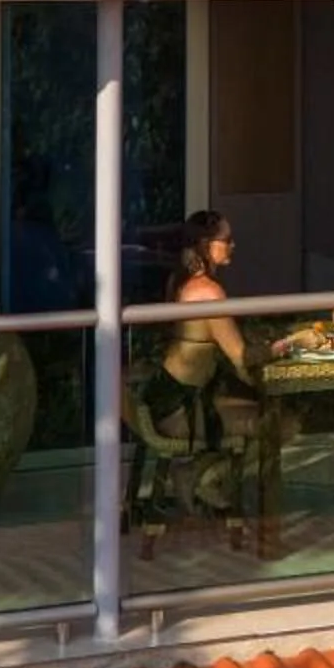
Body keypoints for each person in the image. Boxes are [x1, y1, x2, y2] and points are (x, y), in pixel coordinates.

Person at [138, 211, 261, 507]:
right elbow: (240, 356)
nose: (233, 245)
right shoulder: (208, 292)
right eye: (227, 240)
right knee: (276, 422)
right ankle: (200, 474)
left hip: (167, 397)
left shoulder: (181, 282)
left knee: (250, 405)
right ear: (206, 245)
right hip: (183, 410)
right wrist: (287, 348)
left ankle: (201, 473)